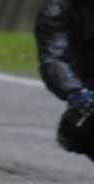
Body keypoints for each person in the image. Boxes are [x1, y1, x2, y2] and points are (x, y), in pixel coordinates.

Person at [35, 0, 94, 158]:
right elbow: (53, 57)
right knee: (78, 128)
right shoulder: (57, 8)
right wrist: (75, 92)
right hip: (87, 83)